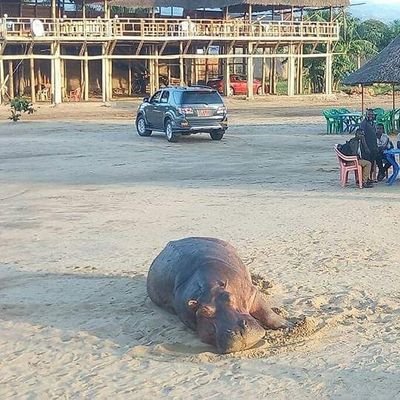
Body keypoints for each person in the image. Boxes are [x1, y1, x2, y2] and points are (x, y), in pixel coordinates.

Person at [360, 109, 379, 178]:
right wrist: (366, 147)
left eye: (372, 114)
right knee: (367, 163)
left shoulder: (373, 123)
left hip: (373, 147)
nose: (370, 116)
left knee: (372, 162)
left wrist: (376, 147)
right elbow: (362, 136)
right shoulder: (363, 123)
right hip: (366, 148)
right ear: (366, 115)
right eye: (369, 114)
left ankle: (370, 178)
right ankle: (365, 179)